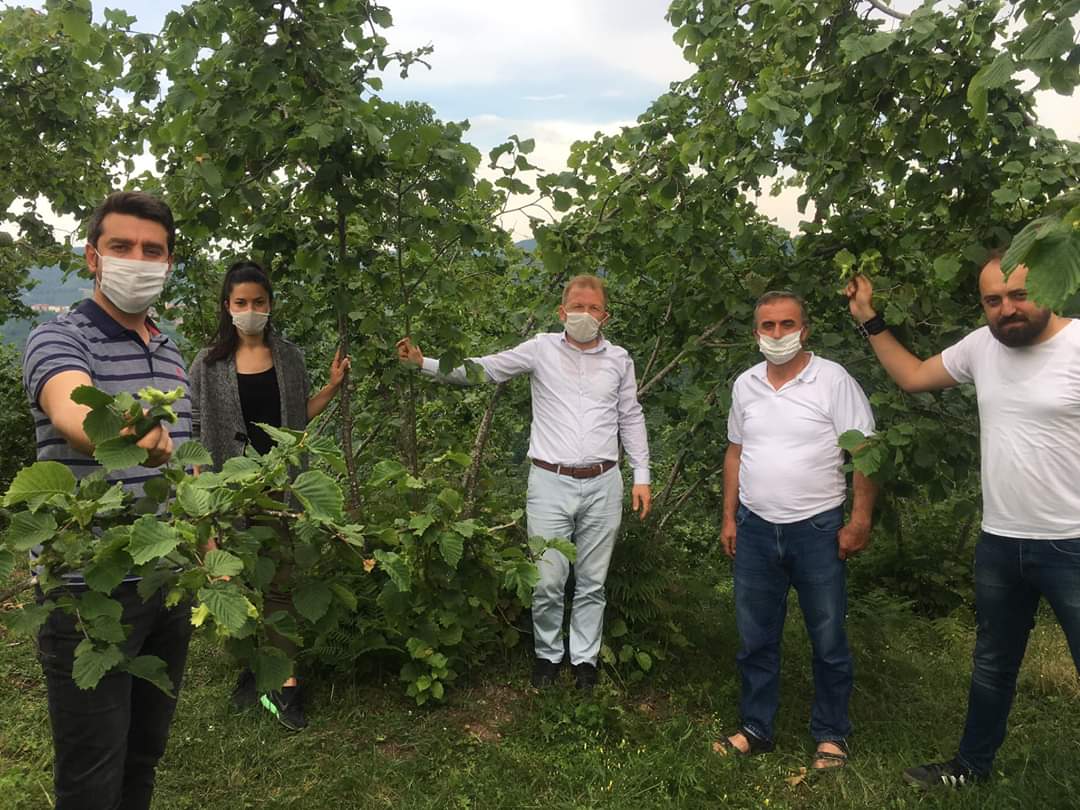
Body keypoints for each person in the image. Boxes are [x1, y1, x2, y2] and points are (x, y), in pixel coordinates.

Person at [846, 258, 1080, 789]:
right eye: (993, 301)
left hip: (1073, 542)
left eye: (1018, 295)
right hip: (1001, 541)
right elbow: (912, 377)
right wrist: (868, 318)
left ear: (1048, 284)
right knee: (993, 665)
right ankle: (971, 769)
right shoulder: (982, 347)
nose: (1007, 310)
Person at [21, 191, 193, 810]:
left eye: (153, 250)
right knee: (92, 774)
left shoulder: (170, 353)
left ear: (170, 262)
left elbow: (188, 461)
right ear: (93, 257)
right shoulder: (58, 338)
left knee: (144, 754)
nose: (137, 260)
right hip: (86, 592)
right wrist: (127, 430)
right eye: (121, 247)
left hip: (167, 585)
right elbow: (72, 406)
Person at [396, 274, 651, 690]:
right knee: (548, 577)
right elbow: (486, 370)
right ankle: (548, 655)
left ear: (606, 315)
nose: (583, 314)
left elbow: (631, 416)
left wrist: (641, 475)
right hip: (550, 481)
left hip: (605, 482)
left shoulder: (619, 359)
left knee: (592, 581)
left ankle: (585, 661)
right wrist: (424, 364)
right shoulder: (541, 349)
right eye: (576, 306)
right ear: (561, 311)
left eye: (592, 308)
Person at [718, 291, 877, 771]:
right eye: (768, 326)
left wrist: (860, 520)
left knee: (827, 638)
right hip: (755, 529)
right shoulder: (745, 385)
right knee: (755, 638)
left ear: (804, 330)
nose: (778, 334)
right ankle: (756, 728)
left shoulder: (832, 380)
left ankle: (831, 735)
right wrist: (728, 517)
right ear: (756, 333)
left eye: (787, 324)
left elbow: (865, 451)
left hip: (818, 530)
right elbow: (735, 452)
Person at [187, 259, 349, 731]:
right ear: (227, 307)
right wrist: (199, 491)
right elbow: (195, 430)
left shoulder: (289, 357)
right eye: (241, 303)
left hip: (281, 491)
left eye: (258, 302)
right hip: (228, 492)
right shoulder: (208, 363)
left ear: (270, 305)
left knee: (280, 584)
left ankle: (288, 683)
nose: (250, 310)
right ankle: (257, 666)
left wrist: (332, 389)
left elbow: (296, 417)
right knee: (238, 584)